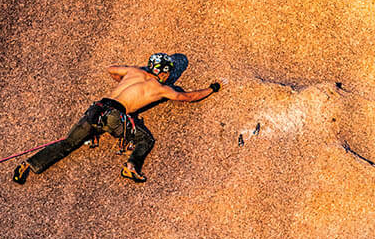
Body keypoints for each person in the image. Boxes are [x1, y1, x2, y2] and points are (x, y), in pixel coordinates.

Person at [12, 54, 221, 185]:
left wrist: (127, 78)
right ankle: (130, 167)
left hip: (96, 109)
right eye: (168, 71)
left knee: (68, 143)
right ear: (164, 72)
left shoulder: (134, 71)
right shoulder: (160, 88)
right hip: (115, 117)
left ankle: (29, 164)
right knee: (144, 139)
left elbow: (111, 69)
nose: (169, 75)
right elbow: (187, 97)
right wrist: (212, 89)